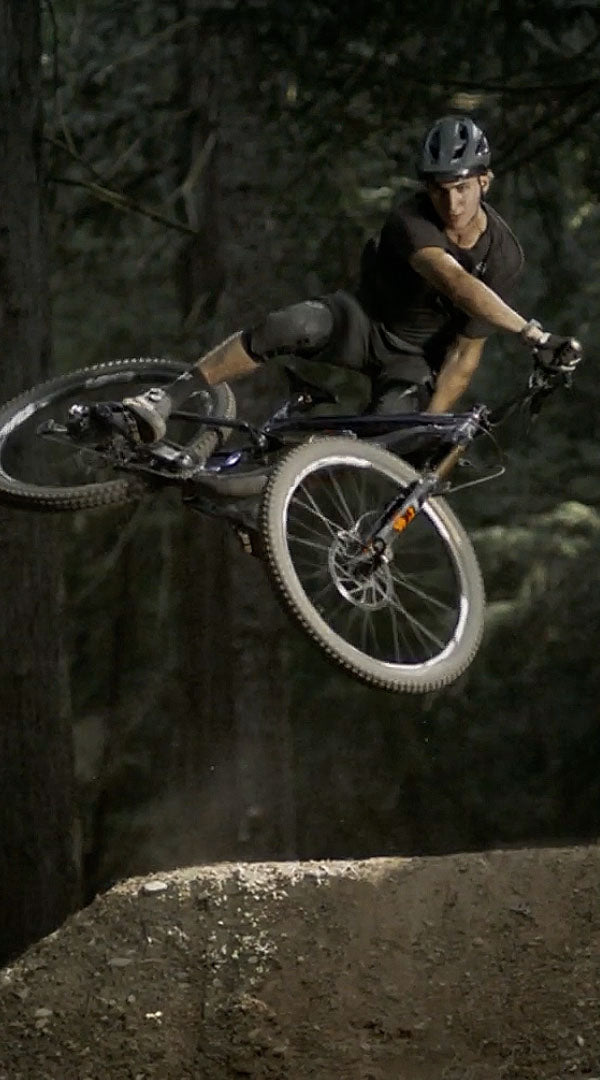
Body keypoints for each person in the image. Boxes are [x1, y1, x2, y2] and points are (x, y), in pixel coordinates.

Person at [124, 115, 580, 441]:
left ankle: (284, 488)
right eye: (440, 190)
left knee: (391, 436)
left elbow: (464, 355)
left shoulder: (504, 257)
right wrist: (532, 334)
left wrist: (429, 428)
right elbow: (455, 283)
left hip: (412, 362)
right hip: (361, 321)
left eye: (462, 188)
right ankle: (166, 399)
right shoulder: (410, 219)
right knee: (288, 325)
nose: (452, 203)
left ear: (485, 182)